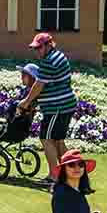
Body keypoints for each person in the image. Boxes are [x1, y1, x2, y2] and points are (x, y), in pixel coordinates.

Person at [20, 31, 78, 184]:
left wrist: (26, 102)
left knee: (46, 139)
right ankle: (72, 174)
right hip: (65, 105)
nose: (36, 51)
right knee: (58, 141)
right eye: (35, 48)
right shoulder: (58, 56)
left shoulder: (49, 62)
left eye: (39, 48)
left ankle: (54, 176)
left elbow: (38, 86)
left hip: (57, 108)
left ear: (48, 45)